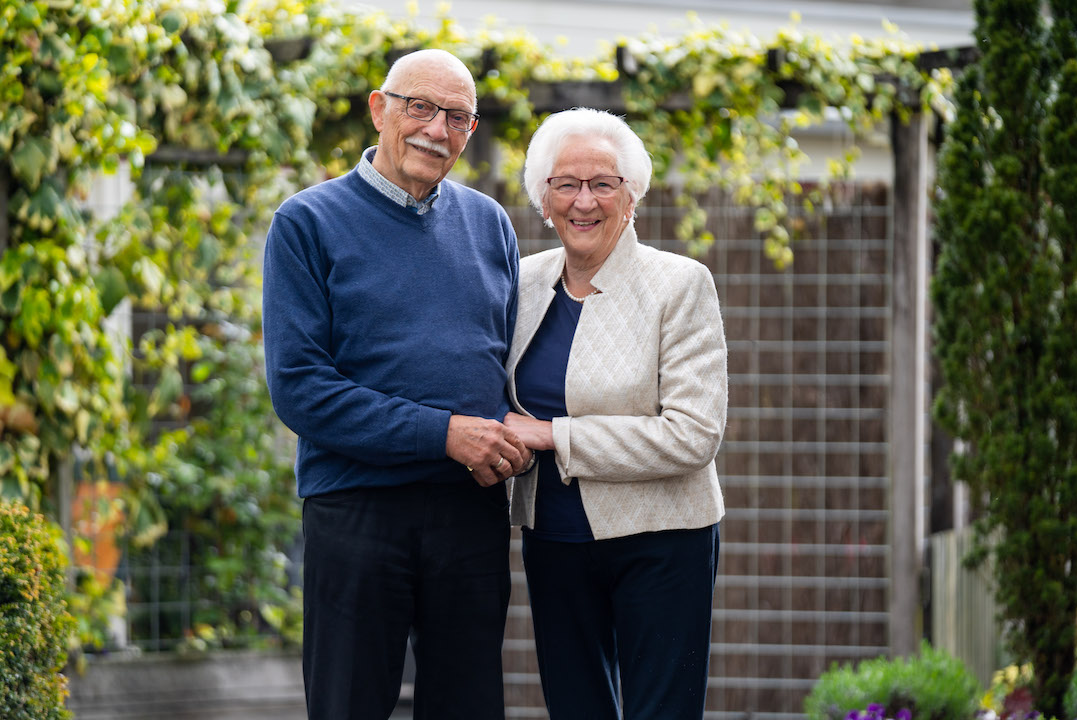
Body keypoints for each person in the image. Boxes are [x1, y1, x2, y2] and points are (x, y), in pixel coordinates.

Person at [262, 48, 531, 720]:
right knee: (349, 703)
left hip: (469, 512)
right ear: (380, 109)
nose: (437, 130)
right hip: (356, 509)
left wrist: (511, 430)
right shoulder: (306, 223)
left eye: (458, 118)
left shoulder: (490, 224)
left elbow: (500, 363)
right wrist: (442, 434)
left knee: (468, 706)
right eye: (421, 108)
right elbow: (300, 388)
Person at [503, 107, 728, 719]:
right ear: (542, 199)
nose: (584, 201)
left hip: (663, 540)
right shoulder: (520, 284)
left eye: (603, 183)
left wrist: (554, 435)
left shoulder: (679, 285)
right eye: (565, 184)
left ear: (632, 196)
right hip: (553, 539)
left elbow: (693, 435)